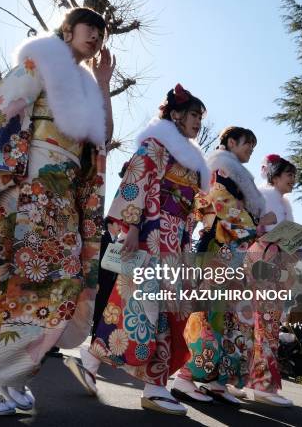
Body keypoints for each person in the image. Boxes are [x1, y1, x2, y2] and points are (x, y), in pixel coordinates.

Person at [0, 7, 113, 415]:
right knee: (5, 284)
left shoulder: (85, 82)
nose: (96, 36)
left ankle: (9, 376)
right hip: (23, 190)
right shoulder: (40, 58)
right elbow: (2, 112)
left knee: (59, 287)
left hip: (62, 202)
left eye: (102, 31)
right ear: (68, 28)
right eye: (90, 27)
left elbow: (102, 140)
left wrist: (104, 84)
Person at [70, 84, 210, 416]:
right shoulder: (156, 145)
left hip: (175, 241)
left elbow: (194, 205)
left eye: (200, 118)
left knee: (145, 307)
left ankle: (93, 359)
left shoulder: (189, 158)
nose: (198, 123)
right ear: (175, 115)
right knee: (150, 309)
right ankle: (155, 387)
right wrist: (130, 227)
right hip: (152, 234)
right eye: (193, 115)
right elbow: (136, 182)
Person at [173, 126, 275, 406]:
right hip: (220, 250)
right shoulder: (219, 168)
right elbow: (218, 205)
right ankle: (185, 376)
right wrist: (256, 224)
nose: (250, 150)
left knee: (232, 319)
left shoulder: (237, 176)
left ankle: (216, 380)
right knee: (210, 314)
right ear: (231, 142)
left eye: (253, 146)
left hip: (236, 254)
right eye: (247, 144)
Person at [244, 154, 300, 406]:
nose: (293, 180)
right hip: (263, 261)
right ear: (275, 175)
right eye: (289, 175)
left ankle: (254, 381)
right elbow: (251, 229)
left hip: (275, 263)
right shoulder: (264, 197)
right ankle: (262, 385)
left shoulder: (284, 203)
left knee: (269, 322)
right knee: (264, 322)